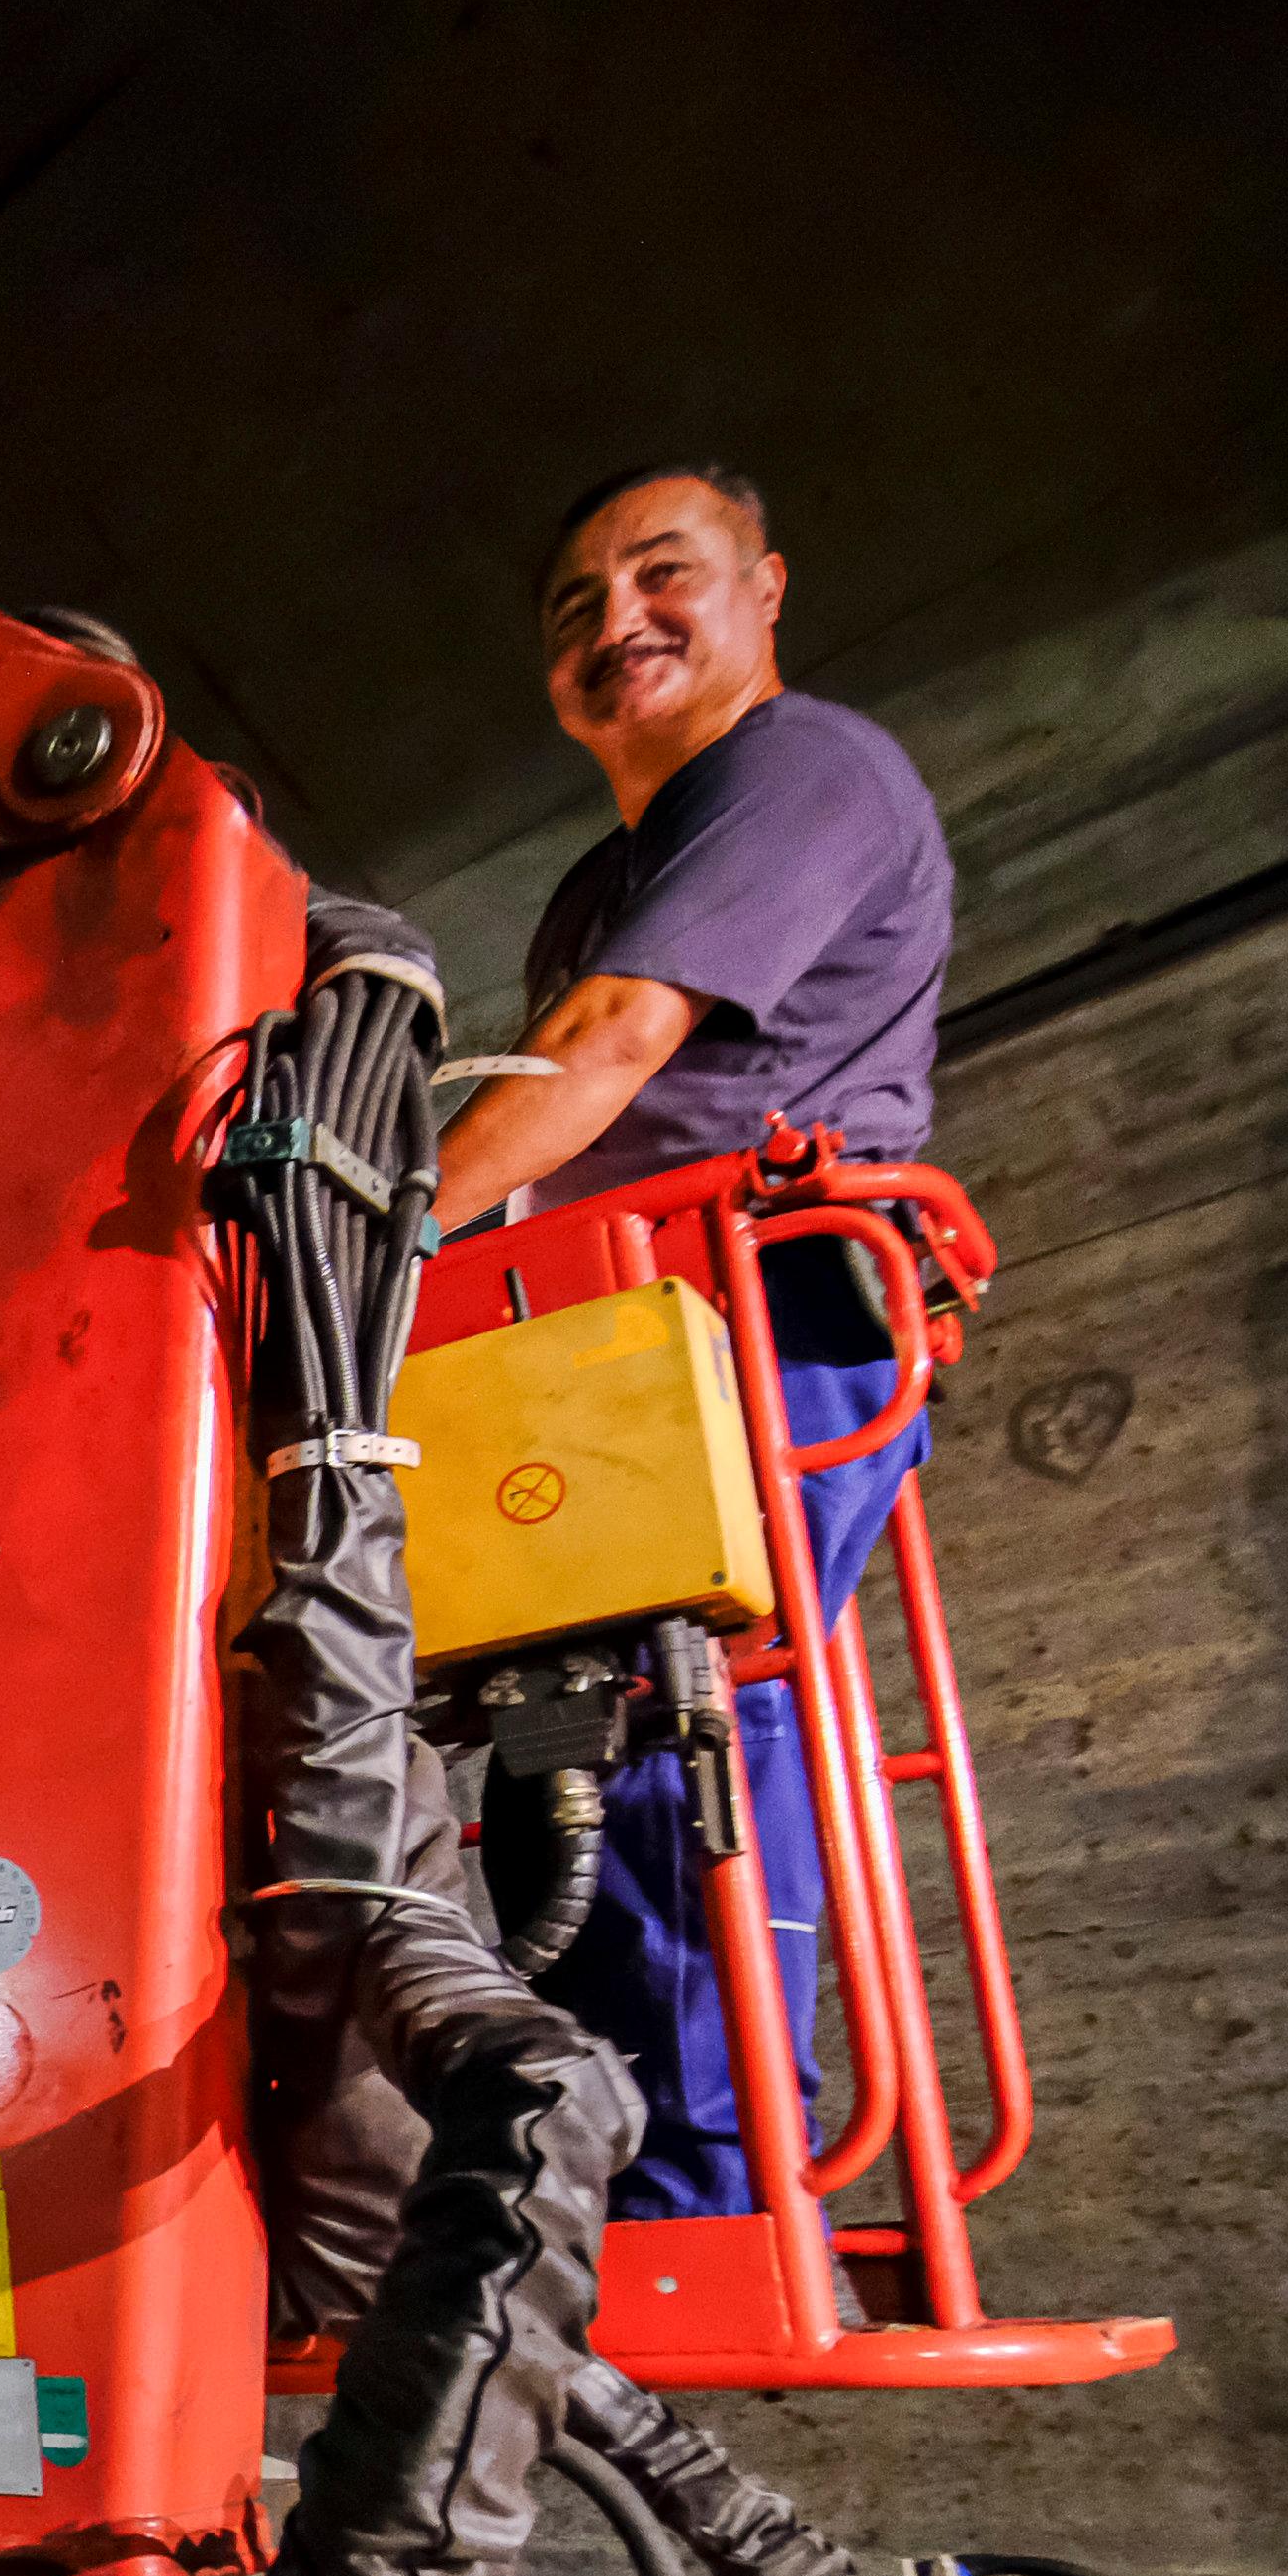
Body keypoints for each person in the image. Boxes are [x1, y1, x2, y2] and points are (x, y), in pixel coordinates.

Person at [430, 462, 953, 2218]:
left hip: (759, 1312)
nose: (616, 624)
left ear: (767, 588)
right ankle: (622, 2158)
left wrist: (349, 1256)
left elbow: (614, 1044)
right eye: (575, 608)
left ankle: (694, 2176)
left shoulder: (797, 770)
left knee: (679, 1720)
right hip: (629, 1336)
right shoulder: (604, 874)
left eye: (664, 577)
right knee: (601, 1730)